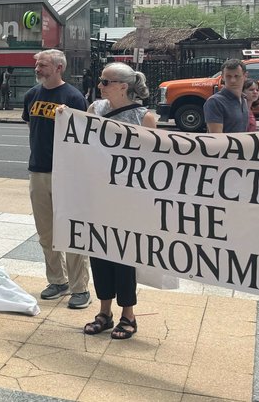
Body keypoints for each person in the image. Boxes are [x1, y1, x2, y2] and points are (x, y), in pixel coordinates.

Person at [82, 62, 158, 341]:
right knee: (99, 252)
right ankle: (104, 311)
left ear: (123, 86)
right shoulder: (95, 109)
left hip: (128, 199)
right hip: (99, 194)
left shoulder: (144, 118)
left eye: (105, 81)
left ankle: (128, 314)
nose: (100, 85)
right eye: (101, 80)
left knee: (125, 255)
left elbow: (153, 161)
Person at [22, 49, 90, 309]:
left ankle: (80, 288)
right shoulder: (31, 95)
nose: (37, 69)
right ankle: (58, 281)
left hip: (66, 175)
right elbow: (32, 127)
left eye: (43, 65)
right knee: (46, 233)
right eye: (37, 65)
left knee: (72, 233)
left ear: (59, 67)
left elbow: (83, 136)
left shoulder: (73, 97)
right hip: (38, 171)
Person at [204, 59, 249, 133]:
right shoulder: (215, 102)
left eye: (237, 76)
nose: (232, 80)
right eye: (228, 76)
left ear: (245, 76)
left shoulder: (244, 100)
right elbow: (216, 136)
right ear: (222, 77)